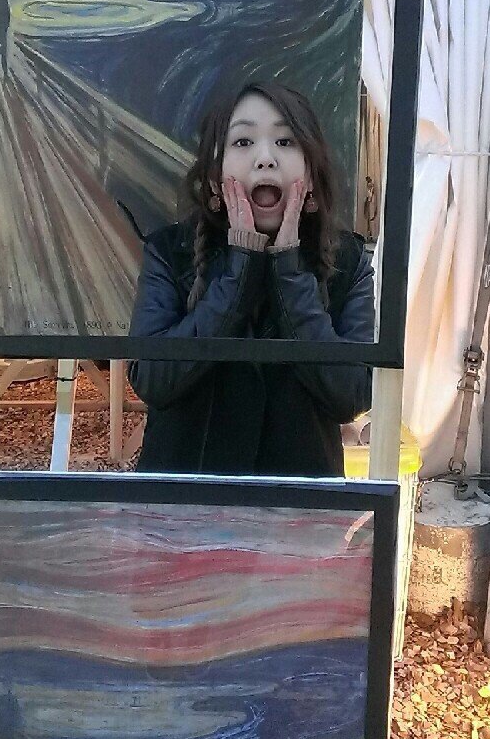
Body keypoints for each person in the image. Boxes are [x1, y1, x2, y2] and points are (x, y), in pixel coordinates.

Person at [128, 82, 374, 477]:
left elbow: (352, 395)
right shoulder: (170, 252)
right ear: (214, 179)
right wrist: (240, 268)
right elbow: (153, 380)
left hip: (299, 503)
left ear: (311, 176)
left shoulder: (349, 262)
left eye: (285, 142)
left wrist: (287, 270)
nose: (265, 159)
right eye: (243, 142)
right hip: (186, 500)